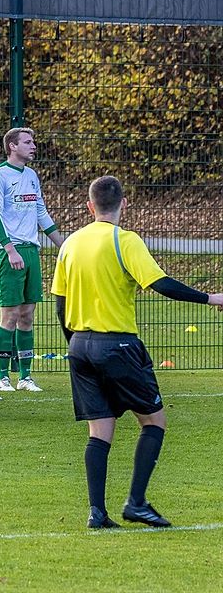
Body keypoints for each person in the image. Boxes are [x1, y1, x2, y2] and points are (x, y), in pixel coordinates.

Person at [51, 175, 223, 529]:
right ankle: (137, 502)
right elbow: (160, 284)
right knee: (154, 421)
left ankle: (97, 513)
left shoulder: (70, 242)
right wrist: (210, 298)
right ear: (124, 204)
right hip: (118, 344)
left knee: (100, 430)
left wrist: (75, 343)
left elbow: (59, 303)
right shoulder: (124, 240)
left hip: (80, 345)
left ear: (89, 205)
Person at [0, 127, 64, 392]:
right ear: (12, 146)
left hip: (31, 250)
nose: (33, 146)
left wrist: (63, 246)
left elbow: (41, 211)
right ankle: (3, 376)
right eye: (27, 142)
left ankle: (26, 377)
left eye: (33, 141)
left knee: (28, 315)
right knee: (9, 315)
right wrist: (9, 249)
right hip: (10, 251)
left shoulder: (31, 175)